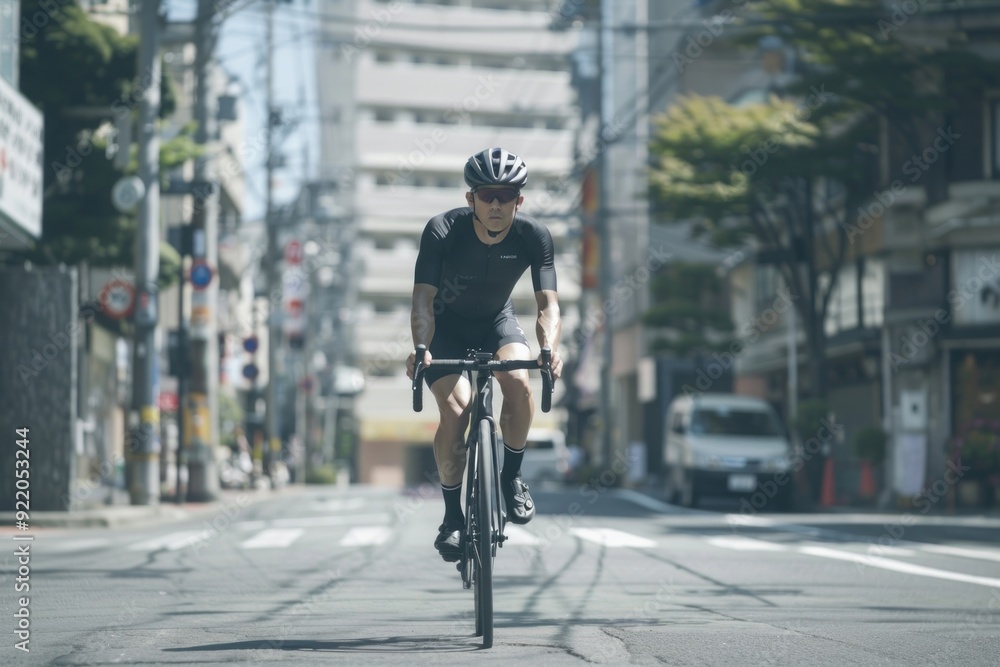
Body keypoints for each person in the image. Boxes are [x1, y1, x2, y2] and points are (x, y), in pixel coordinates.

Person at [406, 147, 564, 562]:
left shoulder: (534, 236)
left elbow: (548, 305)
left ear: (519, 200)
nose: (496, 203)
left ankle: (511, 478)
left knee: (517, 381)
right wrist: (421, 348)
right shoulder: (442, 230)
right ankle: (452, 518)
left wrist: (547, 350)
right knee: (458, 410)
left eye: (506, 195)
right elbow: (423, 300)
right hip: (446, 329)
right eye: (487, 194)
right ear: (470, 198)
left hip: (498, 321)